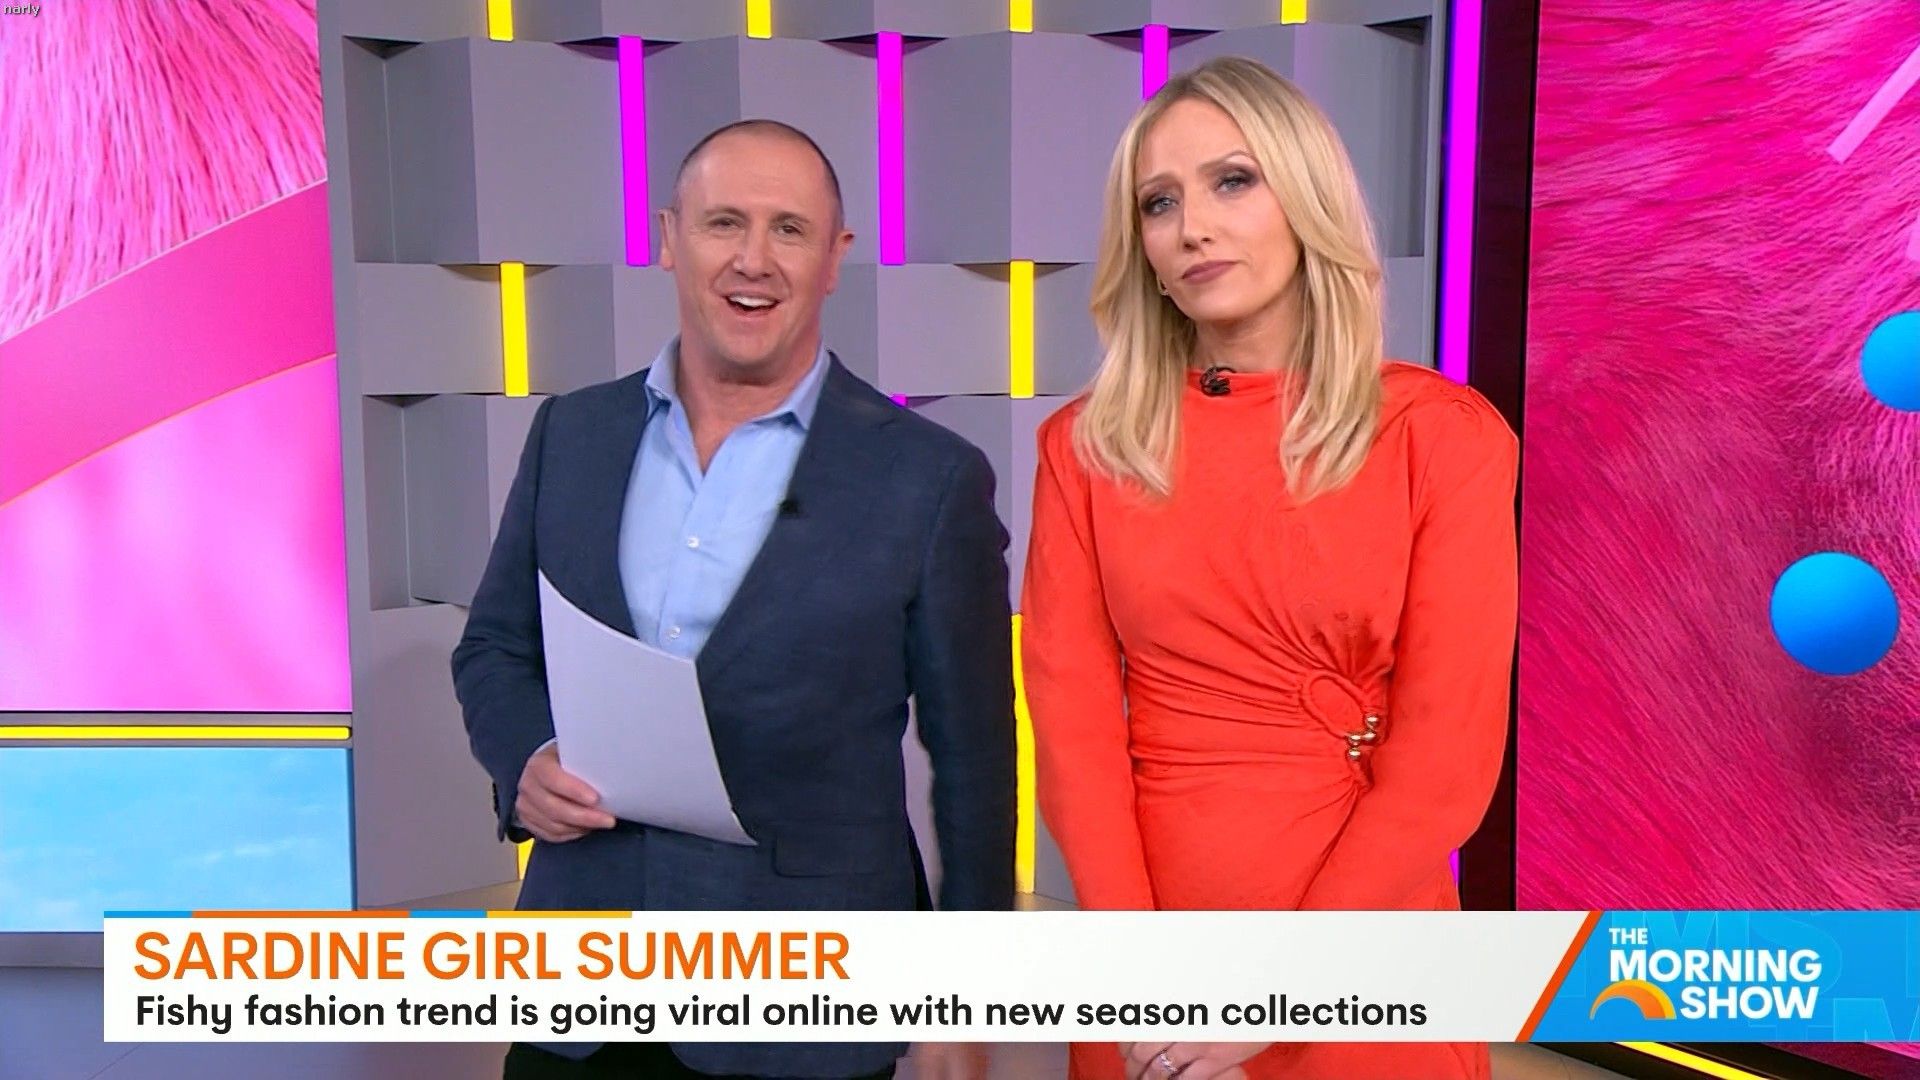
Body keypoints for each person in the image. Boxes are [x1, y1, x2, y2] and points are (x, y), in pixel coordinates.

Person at [452, 119, 1013, 1080]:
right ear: (670, 238)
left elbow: (975, 762)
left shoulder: (928, 479)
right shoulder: (572, 434)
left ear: (834, 258)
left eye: (789, 229)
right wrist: (527, 759)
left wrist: (964, 996)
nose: (754, 259)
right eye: (724, 223)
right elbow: (496, 646)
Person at [1020, 57, 1517, 1080]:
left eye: (1232, 181)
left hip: (1360, 940)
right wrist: (1136, 970)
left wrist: (1282, 989)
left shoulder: (1441, 436)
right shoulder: (1084, 448)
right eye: (1160, 203)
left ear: (1306, 196)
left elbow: (1447, 763)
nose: (1193, 226)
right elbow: (1072, 738)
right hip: (1146, 952)